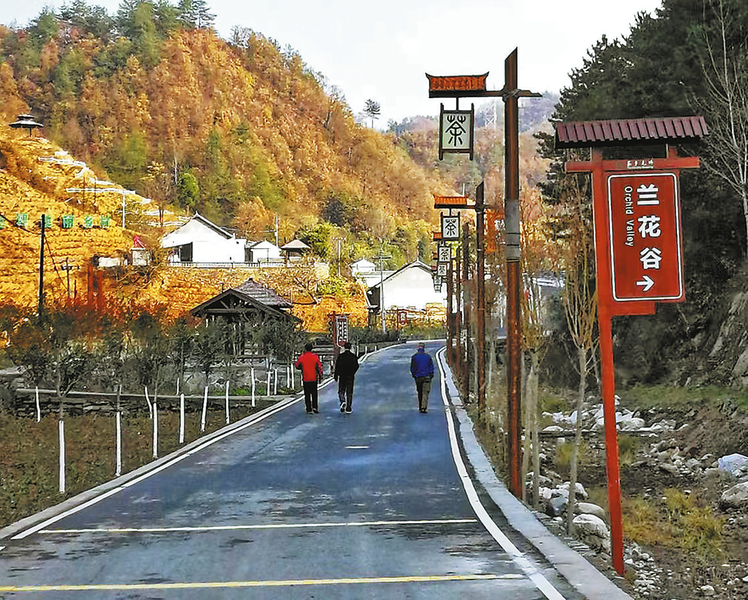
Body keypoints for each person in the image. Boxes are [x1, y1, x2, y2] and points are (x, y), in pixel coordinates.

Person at [295, 342, 323, 413]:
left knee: (307, 394)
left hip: (305, 378)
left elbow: (297, 365)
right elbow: (319, 367)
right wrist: (320, 376)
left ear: (305, 349)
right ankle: (315, 407)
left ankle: (308, 408)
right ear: (312, 349)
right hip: (313, 378)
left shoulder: (302, 357)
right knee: (314, 393)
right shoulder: (315, 357)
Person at [334, 341, 359, 414]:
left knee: (341, 391)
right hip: (350, 377)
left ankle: (342, 401)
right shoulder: (353, 356)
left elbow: (337, 366)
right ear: (350, 347)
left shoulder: (341, 356)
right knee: (349, 392)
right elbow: (356, 366)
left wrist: (336, 375)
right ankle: (348, 408)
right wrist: (352, 372)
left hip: (342, 376)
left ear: (344, 347)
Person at [410, 342, 434, 413]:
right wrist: (431, 374)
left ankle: (420, 407)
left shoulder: (414, 357)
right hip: (426, 376)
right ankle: (424, 407)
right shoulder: (428, 357)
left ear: (418, 348)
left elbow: (413, 367)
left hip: (418, 376)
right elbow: (431, 366)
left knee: (419, 391)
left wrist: (414, 374)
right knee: (425, 392)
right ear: (424, 348)